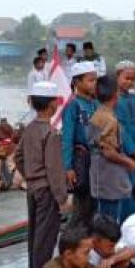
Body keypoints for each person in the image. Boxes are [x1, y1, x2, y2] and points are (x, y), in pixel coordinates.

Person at [15, 81, 68, 268]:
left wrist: (29, 173)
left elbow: (17, 156)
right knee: (46, 234)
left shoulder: (29, 128)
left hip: (32, 187)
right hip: (46, 189)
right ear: (53, 104)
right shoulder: (51, 133)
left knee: (35, 230)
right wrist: (62, 198)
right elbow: (54, 169)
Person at [89, 75, 135, 224]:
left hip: (99, 175)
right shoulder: (109, 119)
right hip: (109, 178)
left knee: (102, 215)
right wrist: (128, 162)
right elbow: (108, 152)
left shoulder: (98, 114)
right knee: (109, 220)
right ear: (116, 94)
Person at [60, 61, 99, 224]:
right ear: (77, 82)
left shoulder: (95, 104)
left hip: (96, 158)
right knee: (82, 203)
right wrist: (68, 167)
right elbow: (67, 137)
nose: (94, 84)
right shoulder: (72, 105)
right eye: (90, 80)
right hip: (82, 159)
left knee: (95, 202)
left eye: (95, 80)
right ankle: (74, 238)